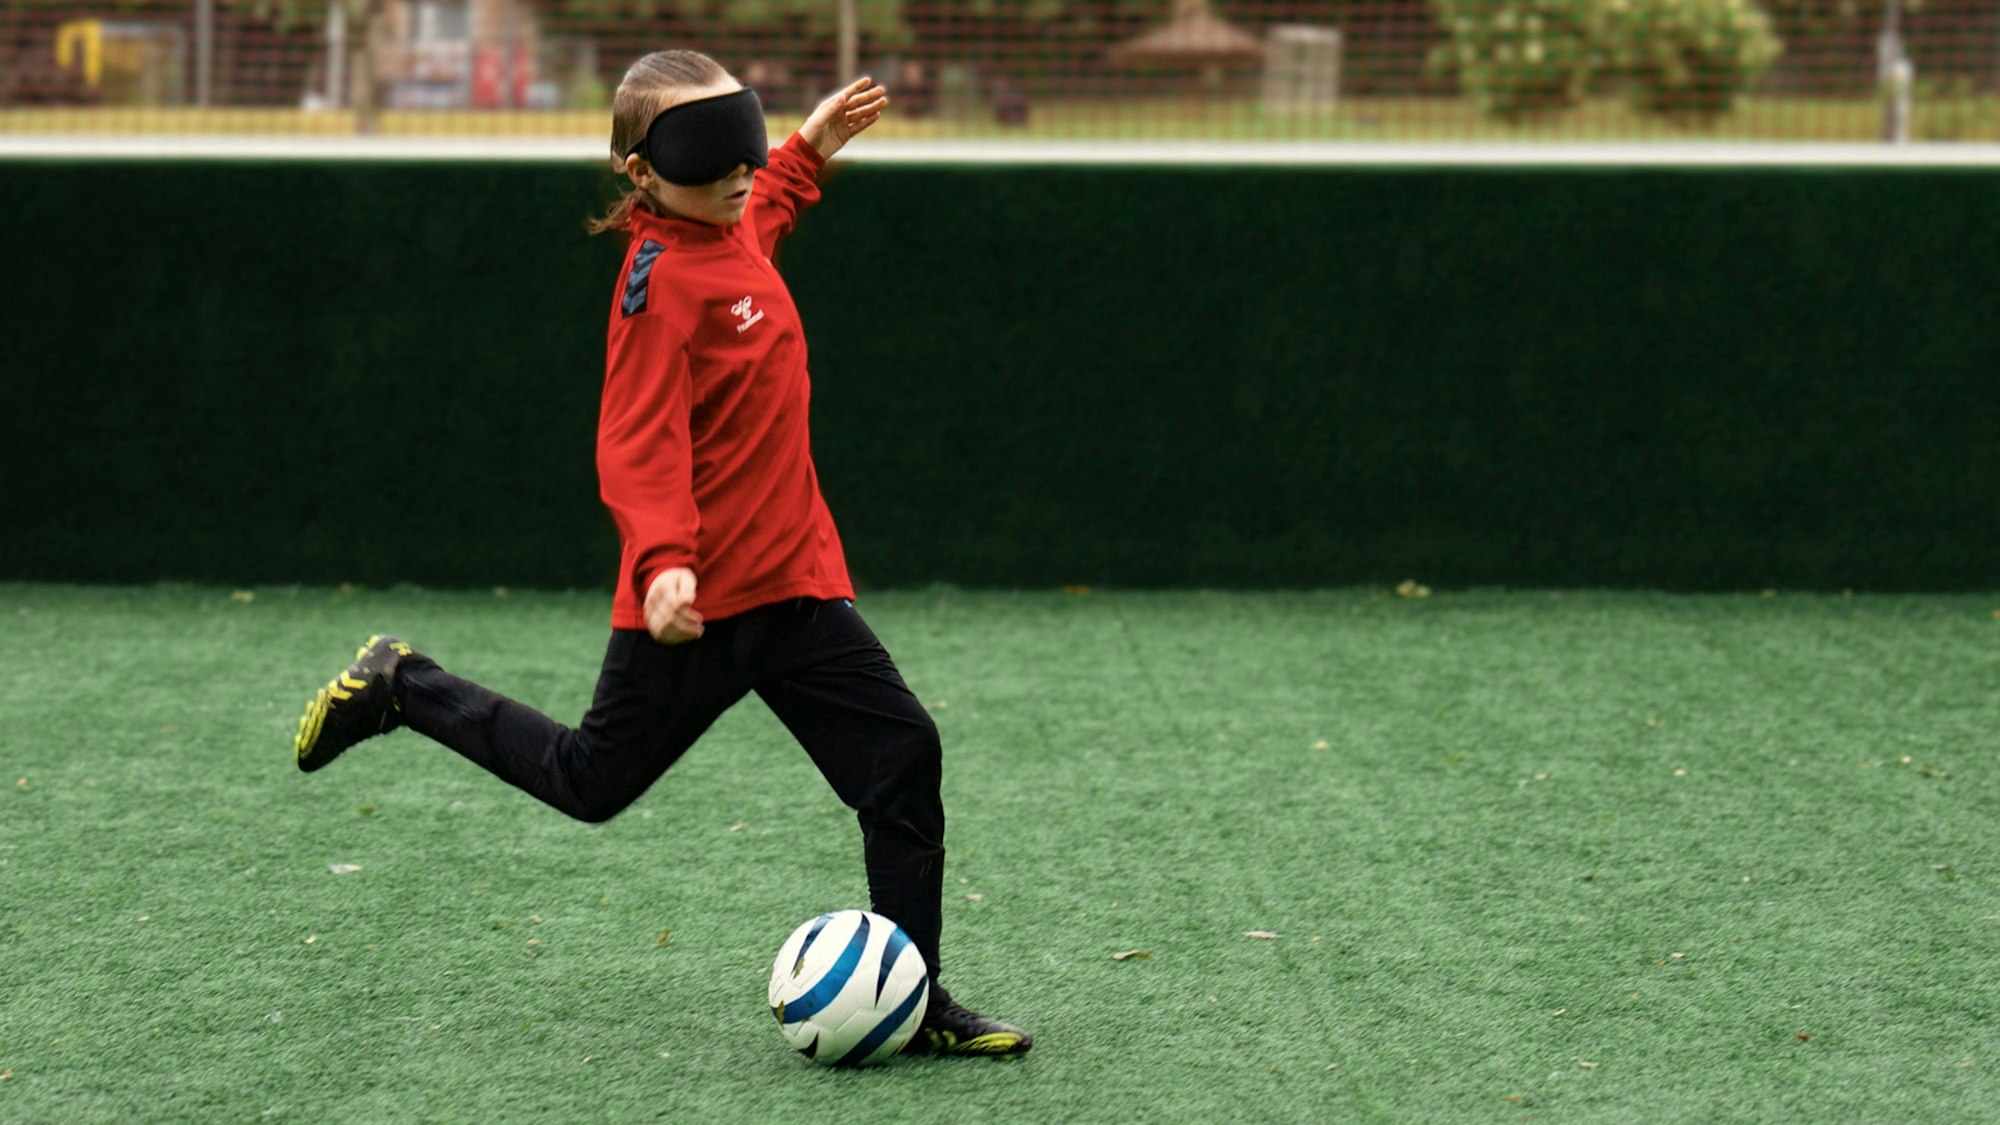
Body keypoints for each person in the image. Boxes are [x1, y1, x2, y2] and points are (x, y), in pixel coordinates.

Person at [291, 48, 1031, 1059]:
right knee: (588, 781)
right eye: (709, 149)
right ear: (641, 172)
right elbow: (636, 444)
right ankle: (404, 687)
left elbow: (767, 204)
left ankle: (916, 995)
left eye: (746, 133)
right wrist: (665, 562)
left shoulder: (732, 227)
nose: (739, 166)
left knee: (902, 754)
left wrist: (809, 149)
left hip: (797, 589)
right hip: (694, 604)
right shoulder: (657, 288)